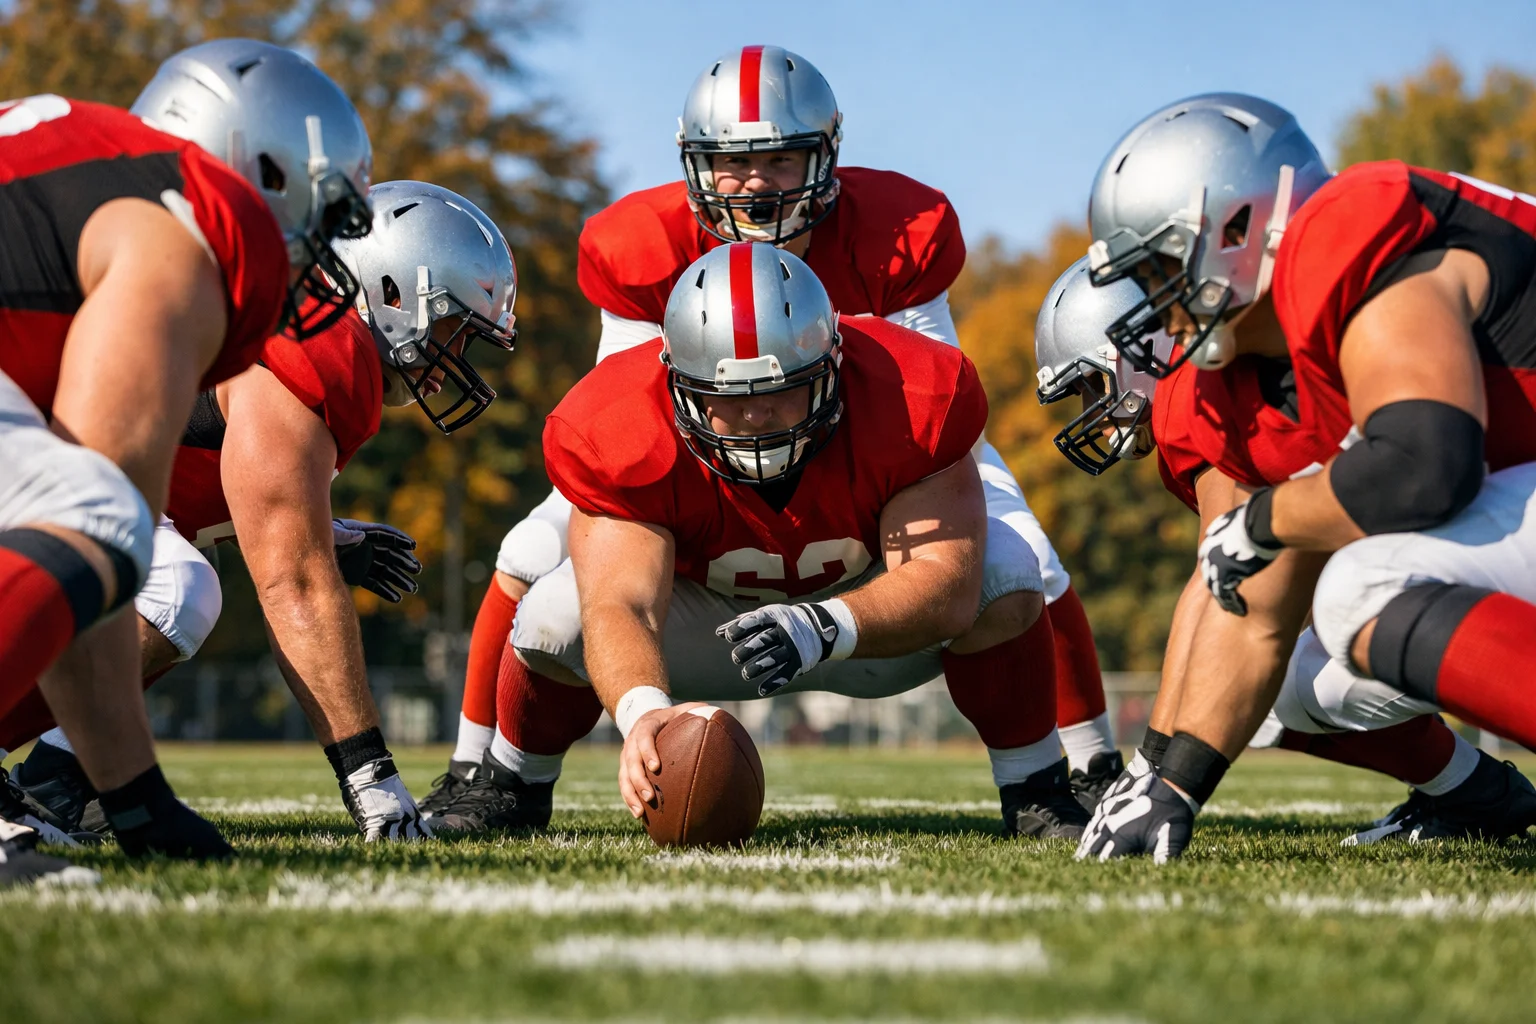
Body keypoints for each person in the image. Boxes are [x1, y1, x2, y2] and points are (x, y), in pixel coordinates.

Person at [427, 45, 1119, 817]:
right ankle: (483, 773)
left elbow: (926, 398)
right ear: (693, 163)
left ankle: (1078, 770)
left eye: (782, 159)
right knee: (539, 565)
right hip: (695, 445)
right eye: (731, 163)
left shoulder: (898, 240)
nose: (755, 183)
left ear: (825, 155)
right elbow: (634, 405)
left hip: (866, 426)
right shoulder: (642, 250)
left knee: (1019, 559)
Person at [432, 243, 1089, 839]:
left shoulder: (910, 392)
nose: (752, 418)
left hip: (864, 624)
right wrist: (642, 715)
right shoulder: (619, 422)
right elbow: (621, 603)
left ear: (833, 366)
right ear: (677, 382)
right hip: (702, 629)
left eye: (780, 392)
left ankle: (1037, 788)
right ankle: (512, 784)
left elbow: (945, 584)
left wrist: (822, 625)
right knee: (553, 608)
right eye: (724, 397)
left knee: (1005, 568)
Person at [1077, 92, 1536, 860]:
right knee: (1310, 669)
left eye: (1161, 266)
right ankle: (1471, 795)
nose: (1157, 302)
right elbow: (1250, 609)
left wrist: (1266, 522)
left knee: (1363, 586)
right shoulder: (1248, 375)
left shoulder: (1344, 232)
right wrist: (1169, 783)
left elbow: (1428, 463)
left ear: (1237, 226)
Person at [6, 181, 518, 843]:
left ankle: (58, 784)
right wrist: (373, 780)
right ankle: (53, 779)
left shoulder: (297, 324)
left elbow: (208, 479)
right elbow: (292, 583)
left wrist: (322, 533)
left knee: (162, 578)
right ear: (394, 292)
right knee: (174, 589)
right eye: (454, 329)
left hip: (39, 464)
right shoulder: (321, 346)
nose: (451, 367)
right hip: (23, 454)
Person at [0, 37, 372, 884]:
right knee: (101, 520)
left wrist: (137, 798)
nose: (319, 257)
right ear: (259, 169)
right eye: (321, 217)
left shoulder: (91, 154)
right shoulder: (193, 219)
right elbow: (95, 515)